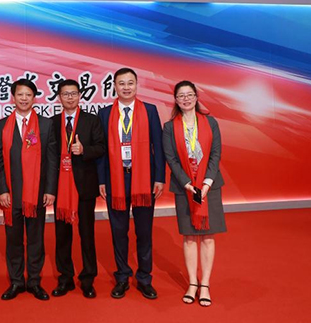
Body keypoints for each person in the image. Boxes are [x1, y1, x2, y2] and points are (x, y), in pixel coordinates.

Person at [97, 68, 165, 300]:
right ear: (114, 86)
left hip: (144, 179)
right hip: (116, 179)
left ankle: (144, 278)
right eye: (121, 83)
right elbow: (102, 151)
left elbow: (158, 145)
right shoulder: (105, 113)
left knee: (144, 232)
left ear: (137, 85)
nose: (126, 87)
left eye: (130, 83)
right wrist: (101, 180)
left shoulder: (150, 111)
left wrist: (159, 177)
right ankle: (122, 277)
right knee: (119, 231)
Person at [0, 79, 59, 301]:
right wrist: (1, 190)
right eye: (20, 95)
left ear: (34, 98)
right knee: (13, 240)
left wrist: (50, 190)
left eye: (28, 95)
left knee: (35, 240)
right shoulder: (2, 125)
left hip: (37, 194)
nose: (24, 99)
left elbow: (52, 160)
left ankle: (33, 282)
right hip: (10, 195)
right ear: (13, 97)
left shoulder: (45, 125)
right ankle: (16, 282)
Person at [162, 80, 225, 307]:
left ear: (196, 97)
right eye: (181, 96)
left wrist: (206, 182)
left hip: (209, 187)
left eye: (189, 95)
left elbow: (216, 153)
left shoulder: (210, 122)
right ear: (176, 100)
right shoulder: (170, 127)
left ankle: (204, 284)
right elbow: (171, 159)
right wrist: (188, 184)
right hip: (184, 188)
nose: (186, 99)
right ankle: (192, 283)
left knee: (207, 237)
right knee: (189, 237)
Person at [51, 79, 106, 299]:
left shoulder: (91, 120)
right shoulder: (52, 122)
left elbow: (101, 147)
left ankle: (87, 279)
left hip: (84, 186)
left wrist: (84, 150)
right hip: (60, 187)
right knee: (62, 236)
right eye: (65, 94)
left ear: (80, 95)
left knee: (87, 234)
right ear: (59, 97)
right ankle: (65, 278)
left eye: (73, 93)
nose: (70, 97)